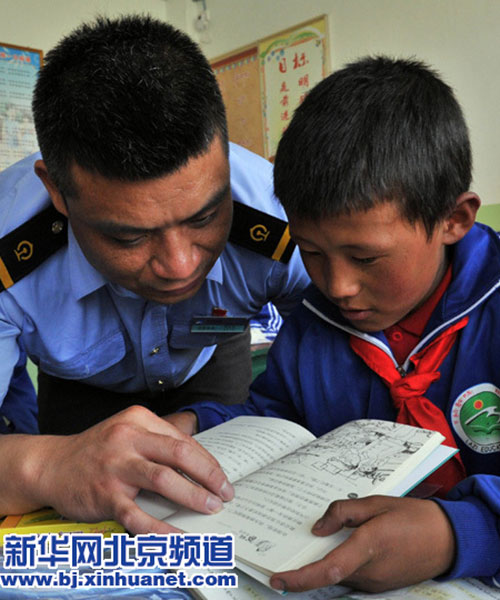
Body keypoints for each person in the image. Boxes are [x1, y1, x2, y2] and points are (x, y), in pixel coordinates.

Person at [167, 56, 500, 592]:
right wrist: (196, 427)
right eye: (311, 252)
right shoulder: (313, 324)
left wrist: (461, 534)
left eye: (365, 258)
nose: (338, 286)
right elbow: (275, 420)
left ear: (453, 219)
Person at [0, 15, 308, 531]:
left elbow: (352, 356)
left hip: (213, 356)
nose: (180, 266)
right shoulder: (10, 249)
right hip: (81, 390)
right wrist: (46, 464)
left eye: (205, 217)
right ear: (57, 191)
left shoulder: (283, 215)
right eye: (128, 237)